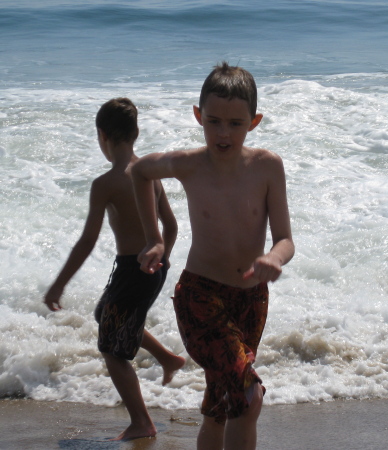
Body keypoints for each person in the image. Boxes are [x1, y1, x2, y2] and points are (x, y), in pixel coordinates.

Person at [131, 63, 295, 450]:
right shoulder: (189, 163)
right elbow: (140, 172)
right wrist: (154, 239)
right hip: (200, 297)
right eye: (214, 121)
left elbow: (285, 239)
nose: (223, 133)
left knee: (221, 404)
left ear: (254, 122)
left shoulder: (267, 167)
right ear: (198, 116)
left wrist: (274, 257)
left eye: (235, 124)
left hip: (251, 299)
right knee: (248, 396)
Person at [44, 98, 185, 441]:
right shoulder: (151, 174)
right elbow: (172, 226)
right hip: (153, 265)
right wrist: (162, 258)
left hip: (131, 269)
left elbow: (87, 241)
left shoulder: (105, 183)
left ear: (101, 136)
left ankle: (142, 422)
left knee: (110, 348)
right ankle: (167, 358)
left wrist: (58, 285)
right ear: (136, 133)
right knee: (105, 313)